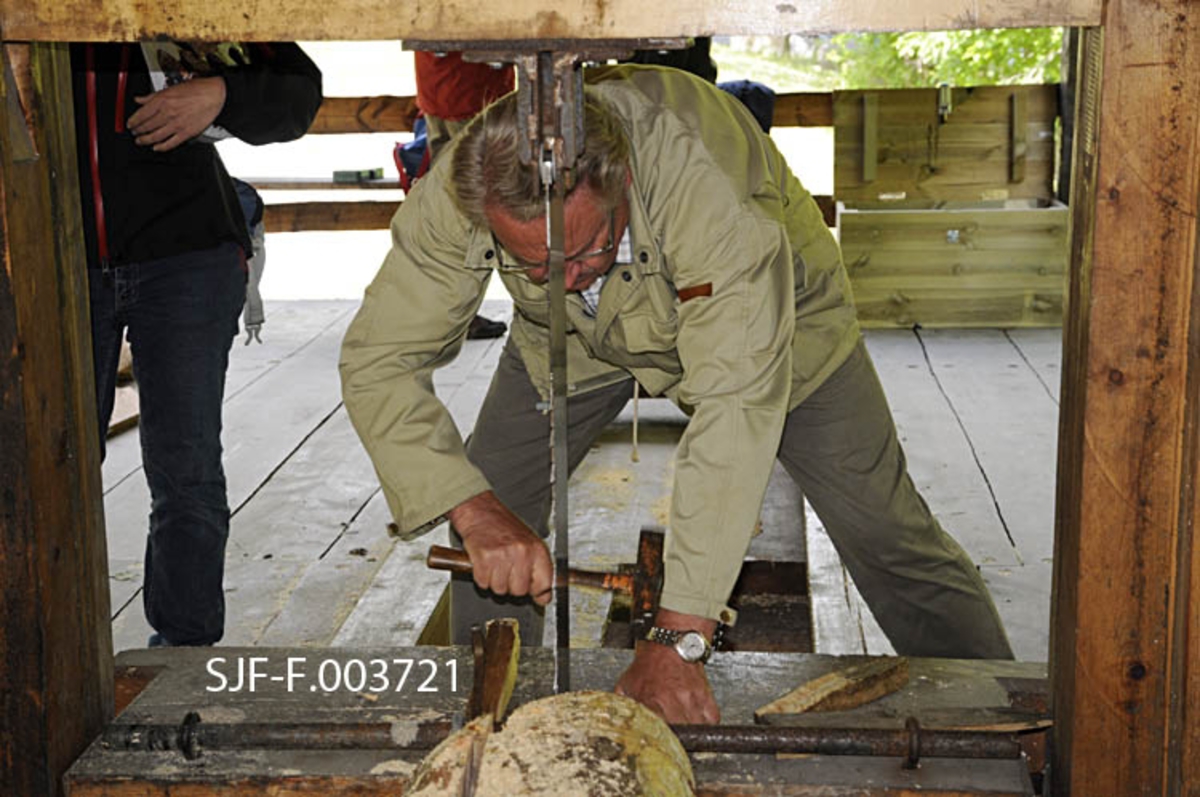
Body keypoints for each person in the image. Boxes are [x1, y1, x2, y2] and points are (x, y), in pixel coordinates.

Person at [340, 64, 1013, 723]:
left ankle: (998, 706)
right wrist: (476, 510)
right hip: (572, 343)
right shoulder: (463, 190)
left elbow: (733, 405)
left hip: (781, 331)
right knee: (491, 526)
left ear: (622, 181)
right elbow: (378, 359)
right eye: (533, 264)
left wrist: (676, 638)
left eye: (583, 253)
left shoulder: (706, 189)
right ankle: (486, 727)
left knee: (886, 531)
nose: (565, 279)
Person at [74, 41, 322, 646]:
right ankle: (51, 666)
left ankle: (183, 662)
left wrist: (223, 95)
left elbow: (299, 94)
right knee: (49, 474)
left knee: (186, 471)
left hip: (187, 253)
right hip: (49, 253)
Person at [411, 51, 512, 340]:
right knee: (470, 211)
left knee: (451, 208)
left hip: (440, 88)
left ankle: (451, 309)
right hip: (470, 90)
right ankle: (456, 311)